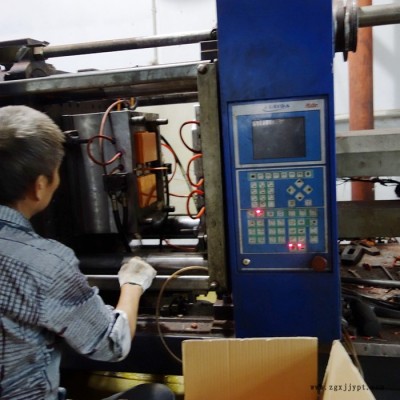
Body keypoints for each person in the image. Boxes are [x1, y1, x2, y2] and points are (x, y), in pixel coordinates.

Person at [0, 105, 171, 400]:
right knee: (157, 396)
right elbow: (112, 344)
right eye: (56, 172)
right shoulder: (45, 263)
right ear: (39, 187)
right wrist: (133, 283)